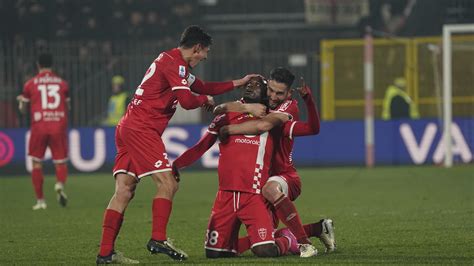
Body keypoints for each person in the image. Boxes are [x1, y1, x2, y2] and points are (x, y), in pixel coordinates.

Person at [96, 25, 258, 264]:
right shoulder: (176, 65)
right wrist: (204, 101)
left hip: (129, 126)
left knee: (124, 191)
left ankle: (105, 253)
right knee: (168, 183)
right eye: (205, 52)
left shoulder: (171, 60)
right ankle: (158, 239)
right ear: (197, 48)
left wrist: (237, 83)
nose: (205, 57)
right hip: (142, 129)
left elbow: (201, 86)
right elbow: (187, 100)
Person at [218, 67, 336, 257]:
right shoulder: (258, 100)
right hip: (258, 180)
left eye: (279, 93)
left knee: (270, 189)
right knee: (243, 247)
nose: (273, 96)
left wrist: (228, 129)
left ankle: (305, 244)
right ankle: (317, 228)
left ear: (288, 93)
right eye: (270, 90)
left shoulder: (288, 107)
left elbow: (311, 129)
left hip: (285, 178)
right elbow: (222, 108)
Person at [173, 76, 294, 258]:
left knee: (265, 251)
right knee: (214, 254)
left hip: (253, 194)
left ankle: (287, 238)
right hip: (225, 196)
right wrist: (176, 165)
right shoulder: (226, 115)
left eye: (256, 85)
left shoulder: (271, 115)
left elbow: (303, 126)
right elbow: (201, 145)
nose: (250, 87)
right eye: (248, 84)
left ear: (266, 92)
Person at [17, 53, 70, 210]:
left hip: (39, 126)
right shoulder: (62, 84)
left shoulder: (30, 84)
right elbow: (68, 107)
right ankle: (59, 184)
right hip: (58, 125)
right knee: (60, 162)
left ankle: (41, 201)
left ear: (38, 64)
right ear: (52, 64)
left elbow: (22, 110)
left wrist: (20, 102)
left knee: (36, 163)